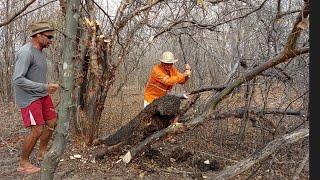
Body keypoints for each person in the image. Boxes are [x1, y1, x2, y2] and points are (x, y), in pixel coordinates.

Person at [12, 21, 59, 174]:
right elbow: (17, 79)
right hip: (29, 98)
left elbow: (35, 76)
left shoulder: (40, 52)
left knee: (52, 121)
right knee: (37, 130)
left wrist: (47, 87)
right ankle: (23, 163)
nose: (51, 40)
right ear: (38, 35)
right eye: (49, 36)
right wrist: (44, 87)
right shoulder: (26, 52)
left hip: (42, 94)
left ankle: (42, 153)